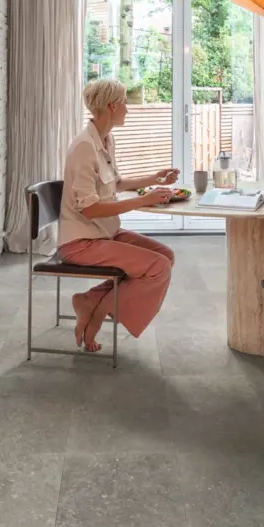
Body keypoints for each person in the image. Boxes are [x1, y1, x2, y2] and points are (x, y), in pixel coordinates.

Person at [58, 78, 179, 352]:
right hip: (81, 243)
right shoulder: (83, 147)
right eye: (125, 102)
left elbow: (117, 183)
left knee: (166, 256)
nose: (128, 108)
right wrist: (142, 201)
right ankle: (99, 311)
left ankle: (91, 300)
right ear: (112, 106)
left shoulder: (105, 139)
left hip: (104, 233)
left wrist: (154, 178)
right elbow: (89, 209)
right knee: (157, 267)